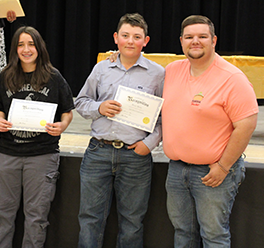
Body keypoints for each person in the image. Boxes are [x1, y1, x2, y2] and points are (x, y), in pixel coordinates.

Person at [162, 15, 259, 247]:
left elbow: (246, 125)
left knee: (214, 236)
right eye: (189, 37)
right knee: (183, 233)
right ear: (181, 41)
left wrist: (223, 166)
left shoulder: (232, 78)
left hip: (213, 174)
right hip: (177, 170)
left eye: (202, 36)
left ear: (213, 40)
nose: (195, 41)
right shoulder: (172, 70)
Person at [75, 13, 165, 248]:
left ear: (146, 41)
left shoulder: (158, 74)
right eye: (125, 36)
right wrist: (100, 107)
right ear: (116, 38)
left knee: (132, 222)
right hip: (98, 152)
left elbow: (164, 117)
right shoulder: (101, 69)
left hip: (135, 156)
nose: (130, 41)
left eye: (137, 37)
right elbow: (81, 103)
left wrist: (151, 143)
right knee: (89, 218)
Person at [0, 26, 74, 247]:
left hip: (42, 154)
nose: (26, 49)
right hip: (7, 153)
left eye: (31, 44)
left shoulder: (54, 77)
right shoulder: (5, 76)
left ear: (39, 47)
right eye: (20, 45)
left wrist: (62, 126)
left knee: (36, 218)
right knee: (1, 215)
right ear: (14, 49)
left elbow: (67, 110)